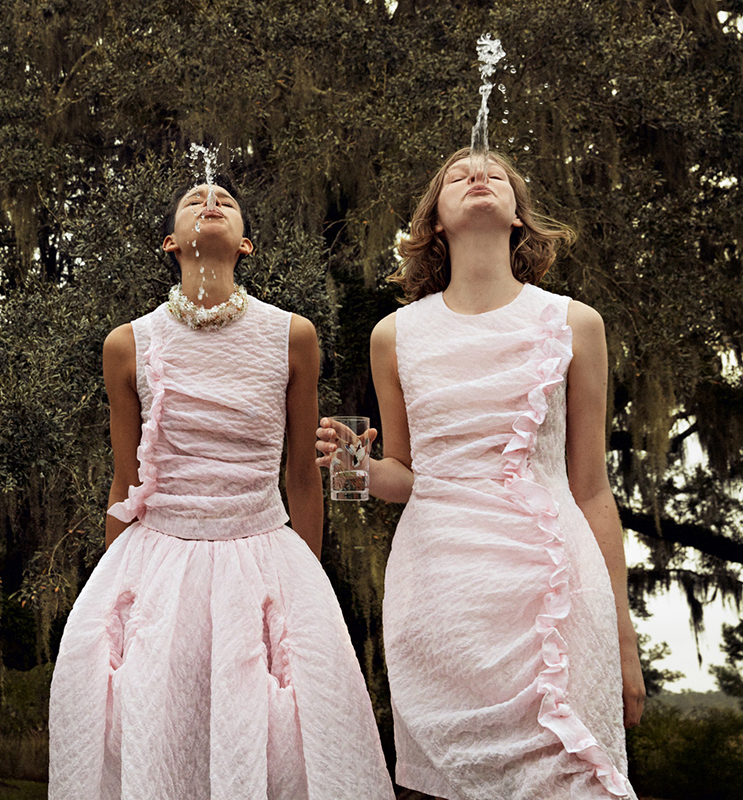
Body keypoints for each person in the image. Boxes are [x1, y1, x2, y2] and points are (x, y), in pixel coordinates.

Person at [48, 179, 394, 798]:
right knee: (155, 734)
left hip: (262, 555)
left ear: (245, 245)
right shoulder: (127, 344)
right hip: (157, 562)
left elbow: (300, 473)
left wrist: (306, 586)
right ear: (170, 242)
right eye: (193, 200)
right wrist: (114, 596)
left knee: (272, 741)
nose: (210, 203)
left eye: (226, 202)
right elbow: (125, 480)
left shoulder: (293, 335)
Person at [317, 148, 645, 799]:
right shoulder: (393, 335)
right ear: (434, 221)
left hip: (554, 593)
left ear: (518, 215)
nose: (478, 176)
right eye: (458, 175)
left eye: (495, 173)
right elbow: (409, 476)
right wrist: (355, 468)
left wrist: (622, 633)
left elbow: (591, 489)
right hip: (440, 593)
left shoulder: (577, 324)